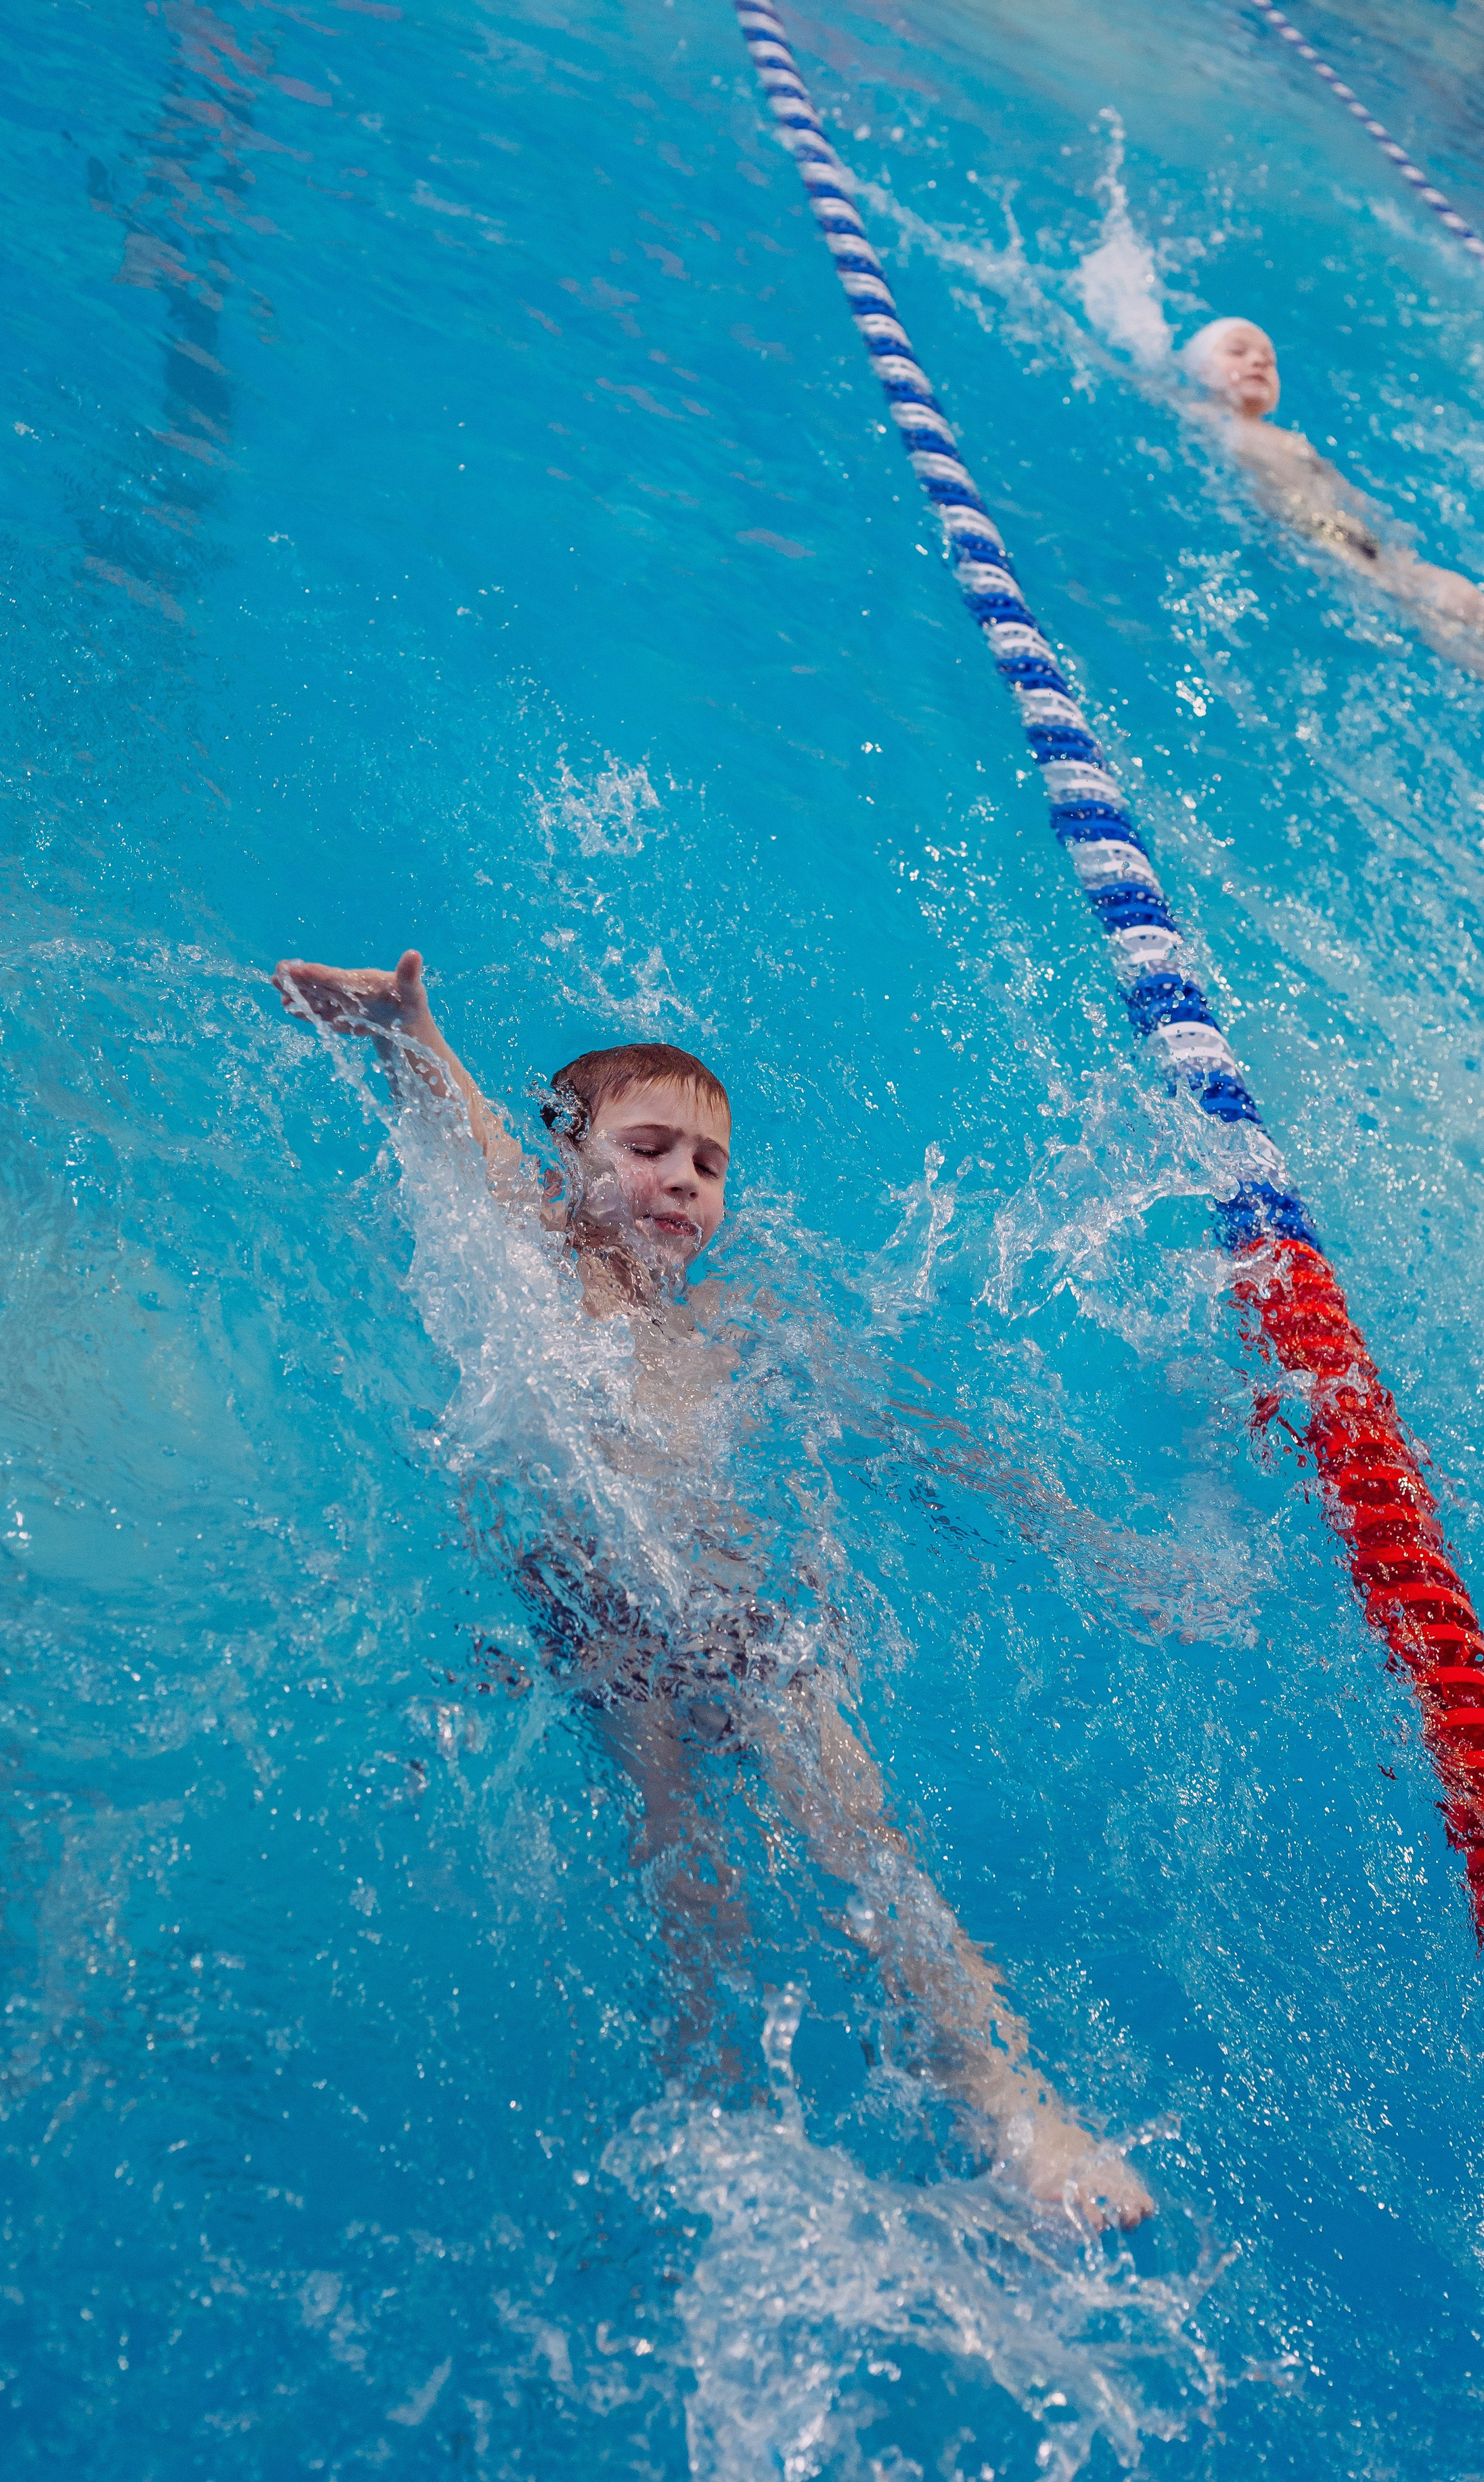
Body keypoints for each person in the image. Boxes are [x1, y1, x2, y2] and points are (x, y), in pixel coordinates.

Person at [273, 944, 1155, 2232]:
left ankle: (1004, 2099)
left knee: (864, 1834)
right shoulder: (554, 1259)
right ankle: (709, 2098)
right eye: (645, 1149)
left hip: (735, 1615)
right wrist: (412, 1035)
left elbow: (905, 1430)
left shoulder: (738, 1322)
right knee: (687, 1859)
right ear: (574, 1157)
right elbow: (469, 1161)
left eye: (707, 1165)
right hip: (597, 1603)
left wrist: (1064, 1526)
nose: (680, 1180)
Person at [1182, 315, 1484, 726]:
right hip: (1312, 538)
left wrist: (1397, 547)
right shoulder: (1205, 417)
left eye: (1269, 359)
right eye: (1238, 352)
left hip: (1359, 541)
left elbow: (1348, 498)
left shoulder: (1294, 442)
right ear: (1200, 370)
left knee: (1466, 599)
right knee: (1433, 619)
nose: (1259, 361)